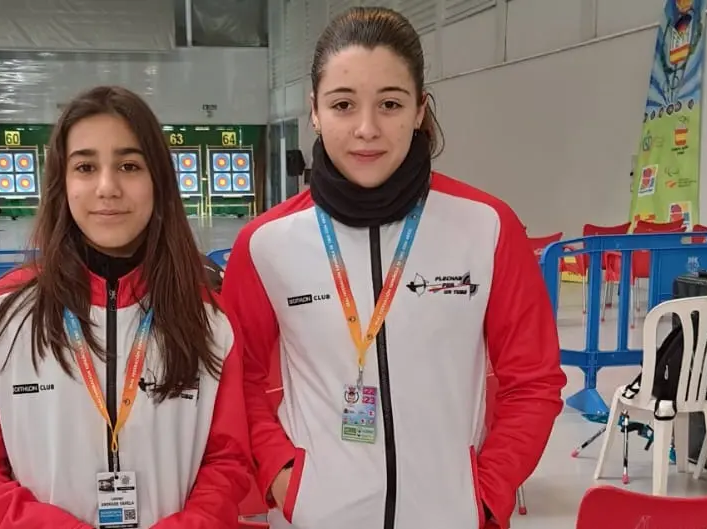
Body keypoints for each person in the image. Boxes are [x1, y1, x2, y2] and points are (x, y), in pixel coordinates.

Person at [221, 7, 566, 529]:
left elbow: (534, 381)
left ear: (420, 110)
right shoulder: (265, 244)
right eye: (343, 105)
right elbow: (237, 380)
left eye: (389, 103)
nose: (367, 129)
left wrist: (487, 492)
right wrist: (284, 477)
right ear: (314, 111)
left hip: (450, 515)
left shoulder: (487, 227)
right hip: (314, 516)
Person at [0, 86, 251, 529]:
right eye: (85, 166)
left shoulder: (208, 318)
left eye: (129, 165)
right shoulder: (1, 315)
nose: (107, 187)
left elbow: (228, 460)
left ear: (159, 180)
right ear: (63, 183)